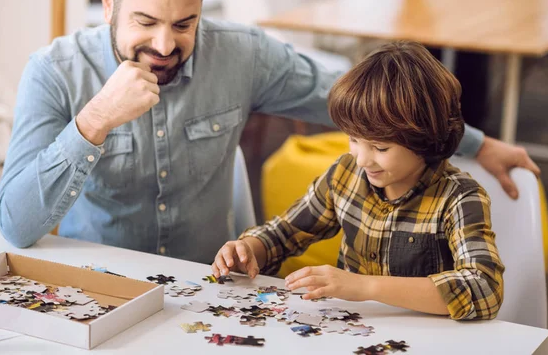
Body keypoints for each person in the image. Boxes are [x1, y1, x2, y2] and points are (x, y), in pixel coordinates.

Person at [0, 0, 538, 265]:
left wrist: (479, 142)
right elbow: (16, 225)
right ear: (109, 3)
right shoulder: (53, 71)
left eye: (183, 24)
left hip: (209, 286)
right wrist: (93, 121)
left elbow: (364, 101)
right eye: (145, 22)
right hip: (101, 283)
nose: (165, 46)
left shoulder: (243, 54)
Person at [212, 41, 504, 320]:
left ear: (426, 139)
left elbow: (483, 288)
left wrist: (364, 286)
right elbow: (284, 233)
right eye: (353, 139)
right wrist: (248, 249)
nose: (362, 159)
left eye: (380, 148)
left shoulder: (460, 198)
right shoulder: (346, 173)